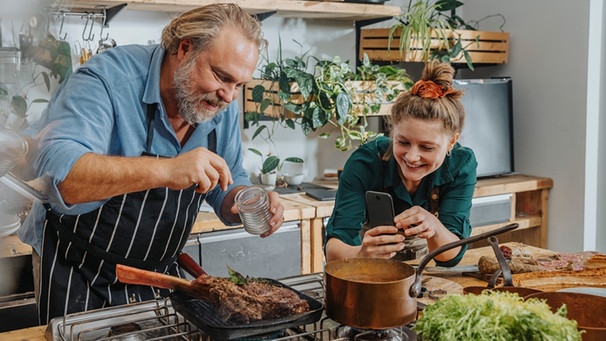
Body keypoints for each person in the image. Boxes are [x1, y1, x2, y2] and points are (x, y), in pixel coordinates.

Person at [18, 3, 286, 324]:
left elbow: (229, 178)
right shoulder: (107, 79)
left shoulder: (218, 102)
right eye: (221, 76)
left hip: (157, 274)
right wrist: (167, 170)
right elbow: (65, 178)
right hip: (78, 267)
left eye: (239, 85)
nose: (229, 96)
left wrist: (240, 201)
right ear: (184, 48)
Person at [324, 60, 477, 267]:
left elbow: (450, 257)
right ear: (393, 132)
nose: (412, 157)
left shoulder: (461, 165)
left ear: (451, 142)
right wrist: (361, 253)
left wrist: (434, 226)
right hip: (362, 268)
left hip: (425, 270)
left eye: (427, 148)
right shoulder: (365, 163)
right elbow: (334, 250)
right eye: (403, 142)